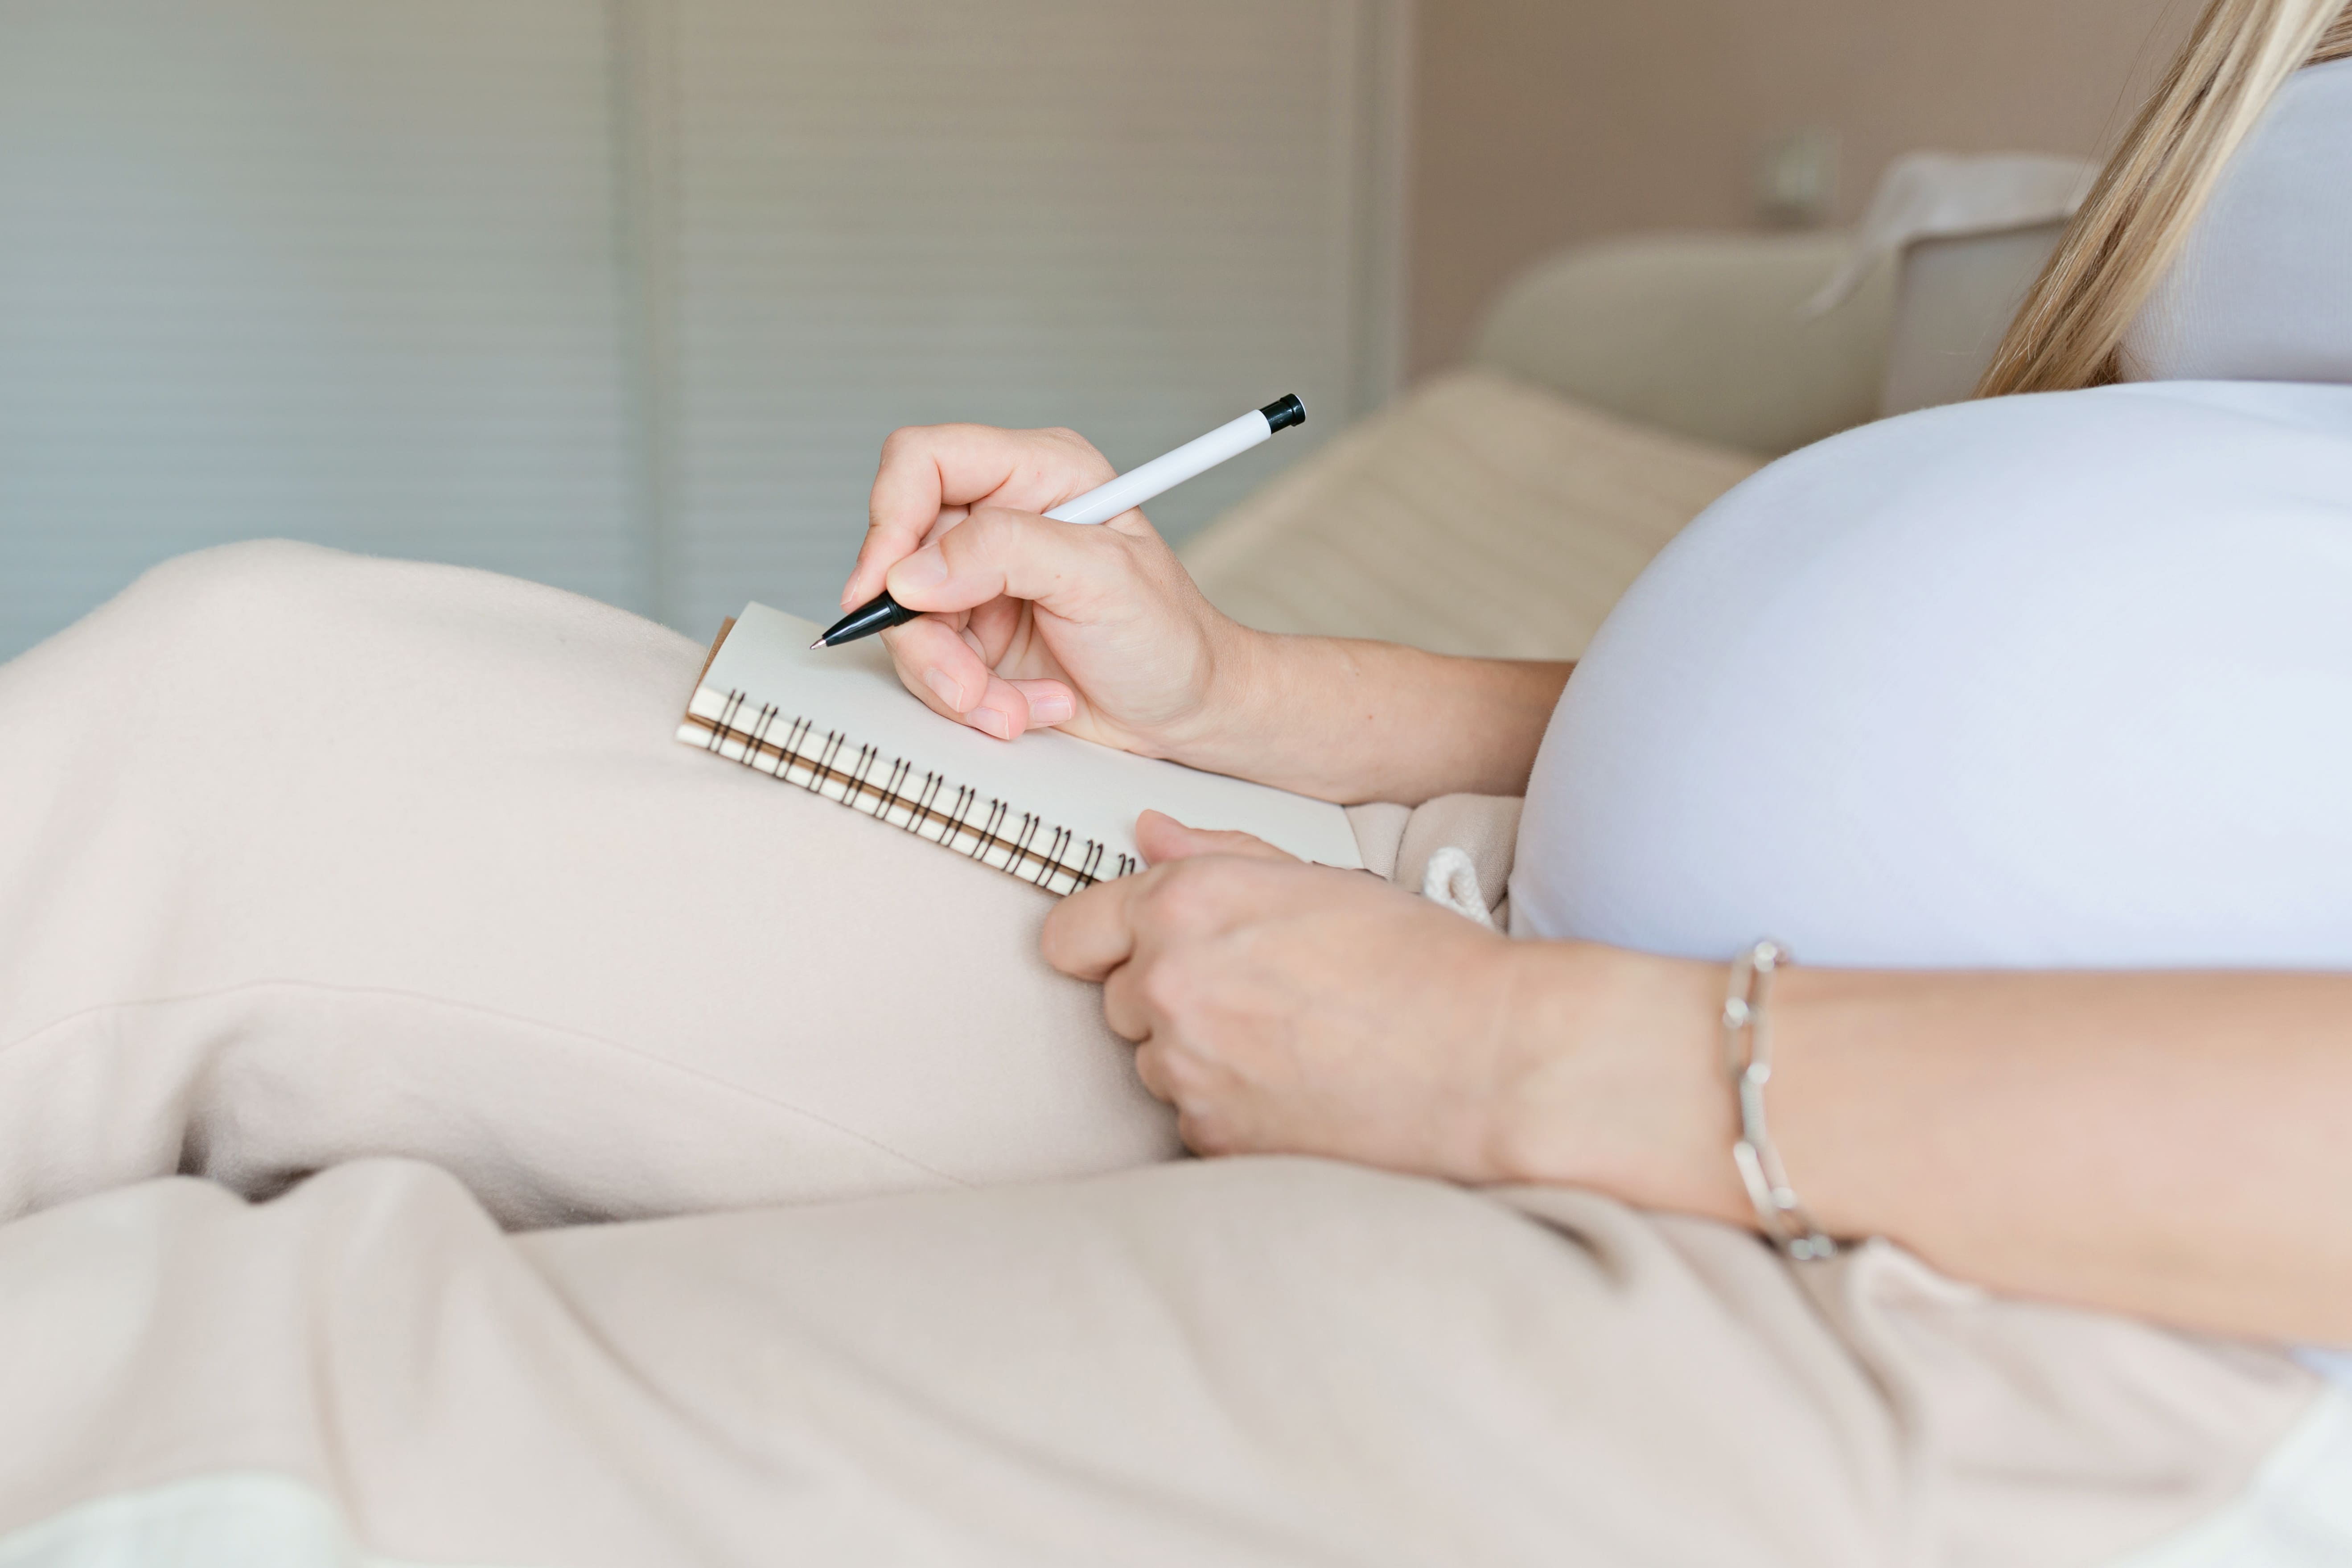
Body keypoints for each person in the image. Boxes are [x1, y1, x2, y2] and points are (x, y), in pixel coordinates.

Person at [0, 1, 2348, 1562]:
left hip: (2039, 1251)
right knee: (256, 710)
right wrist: (1237, 687)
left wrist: (1527, 1060)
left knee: (235, 1412)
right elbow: (2015, 699)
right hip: (1511, 921)